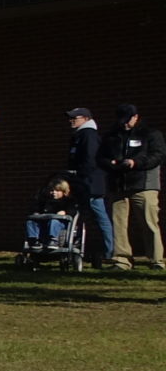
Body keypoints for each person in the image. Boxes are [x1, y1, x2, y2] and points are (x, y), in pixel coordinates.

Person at [98, 102, 162, 269]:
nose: (125, 123)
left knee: (149, 222)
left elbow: (157, 155)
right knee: (118, 223)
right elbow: (100, 157)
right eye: (122, 120)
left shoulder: (150, 134)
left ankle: (156, 260)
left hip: (144, 184)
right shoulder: (111, 136)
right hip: (118, 185)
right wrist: (111, 163)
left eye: (128, 119)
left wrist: (136, 163)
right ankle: (122, 259)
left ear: (136, 117)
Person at [65, 107, 114, 266]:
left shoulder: (89, 135)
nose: (71, 120)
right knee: (80, 218)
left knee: (101, 218)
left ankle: (109, 251)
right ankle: (78, 248)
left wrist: (81, 179)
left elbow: (90, 161)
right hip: (83, 184)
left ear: (85, 119)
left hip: (90, 185)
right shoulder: (79, 135)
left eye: (75, 118)